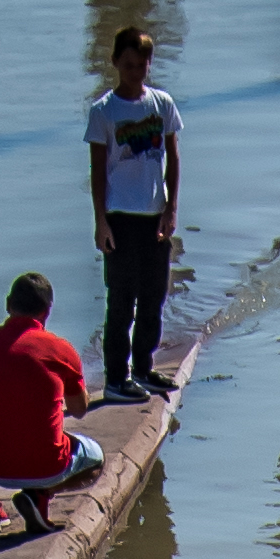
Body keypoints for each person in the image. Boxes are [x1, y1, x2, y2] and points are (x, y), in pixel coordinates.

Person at [83, 27, 184, 400]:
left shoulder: (162, 104)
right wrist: (100, 221)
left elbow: (173, 159)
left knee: (154, 296)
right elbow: (97, 171)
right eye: (128, 65)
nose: (136, 72)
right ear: (115, 64)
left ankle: (144, 368)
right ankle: (115, 377)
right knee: (122, 300)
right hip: (120, 217)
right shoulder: (103, 111)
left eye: (142, 65)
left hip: (154, 215)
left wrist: (171, 209)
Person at [0, 271, 98, 533]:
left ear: (8, 304)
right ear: (47, 310)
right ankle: (40, 495)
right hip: (48, 468)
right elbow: (79, 410)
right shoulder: (61, 349)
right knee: (96, 460)